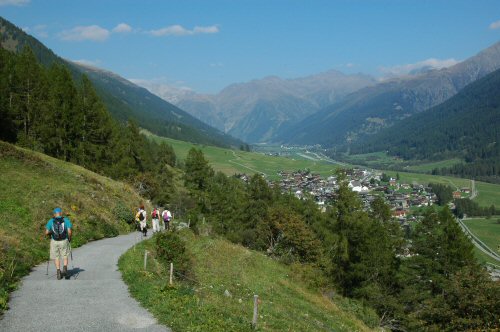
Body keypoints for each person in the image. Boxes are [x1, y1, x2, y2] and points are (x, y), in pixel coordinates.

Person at [45, 207, 72, 280]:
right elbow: (69, 231)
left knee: (56, 256)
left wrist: (51, 232)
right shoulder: (66, 220)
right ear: (61, 213)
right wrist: (69, 238)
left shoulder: (51, 221)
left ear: (54, 214)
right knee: (65, 255)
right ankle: (65, 268)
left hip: (54, 241)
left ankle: (58, 272)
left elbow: (46, 232)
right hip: (64, 240)